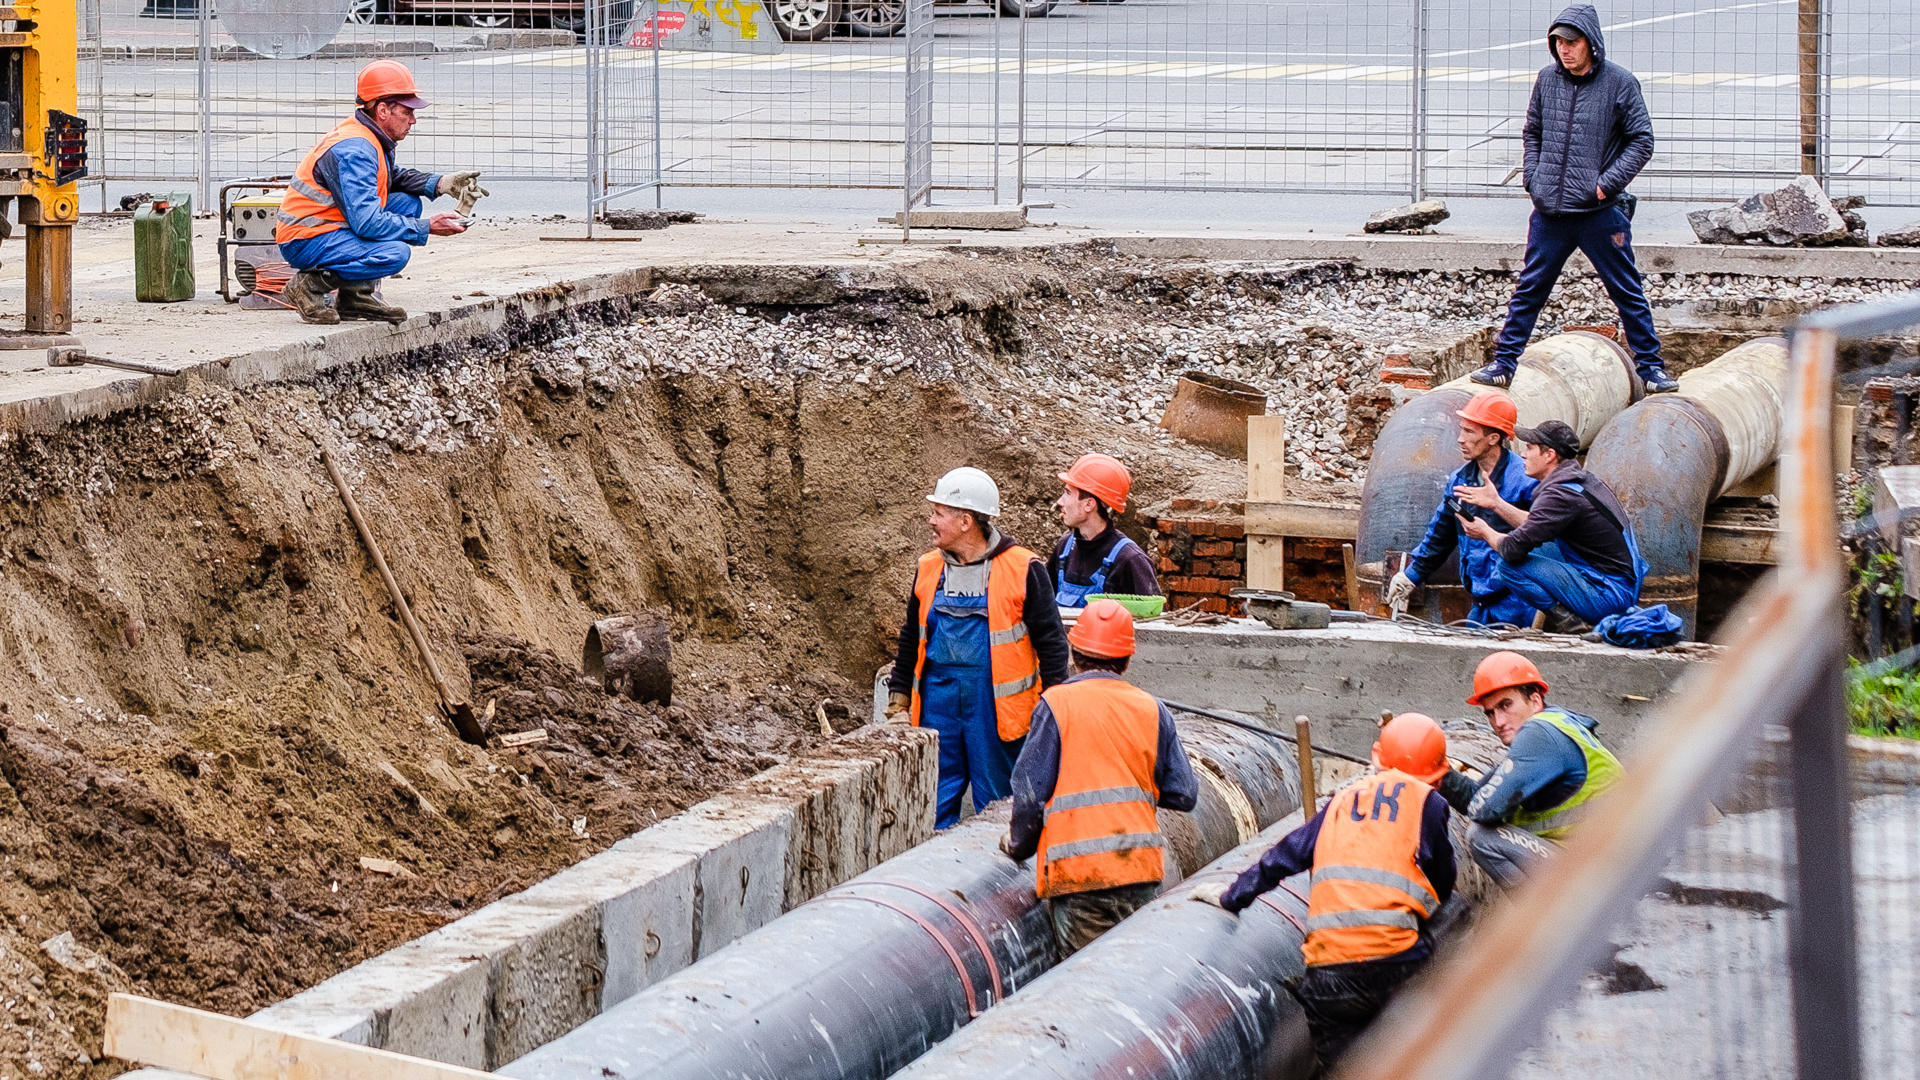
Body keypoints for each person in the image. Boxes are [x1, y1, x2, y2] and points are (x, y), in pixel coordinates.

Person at [1192, 714, 1456, 1071]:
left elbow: (1281, 858)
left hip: (1329, 977)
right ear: (1435, 775)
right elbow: (1442, 875)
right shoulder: (1429, 801)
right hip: (1398, 966)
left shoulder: (1340, 801)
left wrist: (1231, 896)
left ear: (1376, 759)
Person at [1467, 5, 1680, 396]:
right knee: (1531, 288)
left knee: (1626, 290)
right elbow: (1532, 131)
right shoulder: (1547, 79)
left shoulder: (1620, 83)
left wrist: (1605, 186)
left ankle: (1651, 369)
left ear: (1590, 43)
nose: (1564, 50)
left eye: (1572, 42)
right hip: (1550, 211)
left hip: (1600, 212)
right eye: (1558, 43)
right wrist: (1535, 178)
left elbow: (1642, 140)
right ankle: (1504, 363)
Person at [1002, 599, 1197, 956]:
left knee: (1089, 988)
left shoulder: (1056, 704)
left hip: (1082, 875)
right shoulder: (1152, 708)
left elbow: (1029, 792)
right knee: (1132, 971)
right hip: (1141, 871)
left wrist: (1018, 845)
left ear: (1074, 656)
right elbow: (1184, 793)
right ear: (1126, 661)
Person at [886, 467, 1071, 829]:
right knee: (933, 801)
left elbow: (1051, 644)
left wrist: (1056, 708)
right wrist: (898, 695)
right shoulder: (927, 568)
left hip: (997, 712)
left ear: (966, 521)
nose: (931, 521)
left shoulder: (1023, 568)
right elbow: (912, 634)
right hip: (938, 707)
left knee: (998, 804)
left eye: (939, 513)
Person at [276, 60, 483, 326]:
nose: (413, 119)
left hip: (326, 226)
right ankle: (308, 286)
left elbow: (389, 178)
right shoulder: (356, 150)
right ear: (383, 109)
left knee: (406, 202)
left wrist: (440, 183)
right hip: (306, 238)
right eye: (407, 111)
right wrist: (427, 227)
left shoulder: (367, 133)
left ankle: (355, 298)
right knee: (395, 254)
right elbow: (368, 222)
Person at [1445, 651, 1624, 890]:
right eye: (1490, 712)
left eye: (1506, 705)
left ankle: (1542, 923)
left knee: (1482, 837)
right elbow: (1477, 796)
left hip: (1604, 870)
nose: (1498, 721)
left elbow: (1483, 810)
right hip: (1616, 864)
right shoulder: (1557, 725)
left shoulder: (1539, 733)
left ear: (1535, 700)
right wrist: (1439, 772)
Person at [1456, 419, 1646, 633]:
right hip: (1620, 586)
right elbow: (1535, 527)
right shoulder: (1578, 481)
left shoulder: (1558, 495)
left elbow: (1511, 550)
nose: (1524, 455)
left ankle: (1570, 623)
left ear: (1550, 455)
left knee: (1507, 565)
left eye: (1529, 448)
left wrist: (1485, 532)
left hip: (1610, 594)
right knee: (1536, 545)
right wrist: (1497, 504)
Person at [1384, 392, 1540, 627]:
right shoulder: (1460, 480)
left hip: (1519, 605)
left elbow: (1545, 538)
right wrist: (1411, 575)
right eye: (1461, 429)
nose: (1460, 439)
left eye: (1469, 432)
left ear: (1493, 438)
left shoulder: (1524, 481)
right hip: (1481, 604)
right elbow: (1441, 535)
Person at [1049, 453, 1159, 607]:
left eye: (1068, 493)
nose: (1059, 502)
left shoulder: (1130, 561)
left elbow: (1152, 625)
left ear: (1089, 504)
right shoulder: (1064, 548)